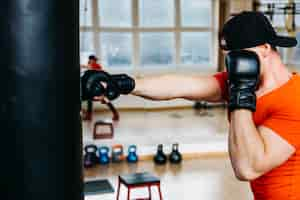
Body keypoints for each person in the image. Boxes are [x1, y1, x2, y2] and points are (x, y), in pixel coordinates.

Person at [83, 11, 300, 200]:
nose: (233, 63)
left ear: (264, 48)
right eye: (230, 57)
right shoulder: (242, 82)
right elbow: (180, 85)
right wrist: (123, 83)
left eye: (239, 55)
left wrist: (241, 91)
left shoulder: (294, 98)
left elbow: (248, 167)